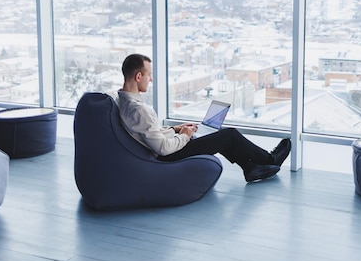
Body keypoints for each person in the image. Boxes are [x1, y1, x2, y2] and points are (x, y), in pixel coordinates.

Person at [115, 53, 291, 182]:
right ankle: (270, 160)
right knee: (229, 134)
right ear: (139, 76)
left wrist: (176, 129)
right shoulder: (138, 109)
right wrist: (185, 136)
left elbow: (146, 133)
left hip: (166, 145)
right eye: (148, 75)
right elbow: (162, 148)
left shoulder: (121, 101)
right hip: (168, 155)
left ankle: (251, 168)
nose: (151, 79)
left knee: (217, 134)